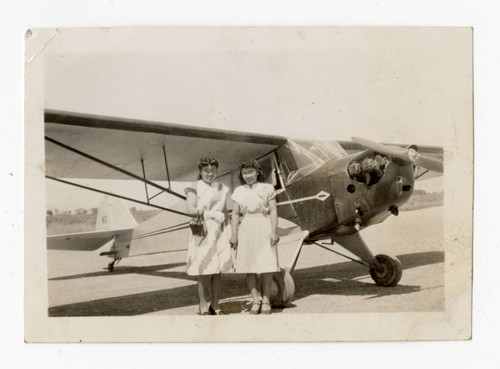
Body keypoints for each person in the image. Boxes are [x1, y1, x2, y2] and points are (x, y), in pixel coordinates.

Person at [230, 159, 280, 315]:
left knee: (266, 265)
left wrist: (274, 231)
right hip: (246, 227)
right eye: (245, 173)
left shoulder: (267, 187)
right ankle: (255, 300)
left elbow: (272, 211)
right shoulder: (239, 191)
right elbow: (235, 214)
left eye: (251, 172)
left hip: (263, 225)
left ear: (257, 172)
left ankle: (266, 300)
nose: (248, 175)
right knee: (249, 267)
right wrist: (233, 234)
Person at [185, 156, 232, 315]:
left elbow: (224, 211)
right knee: (204, 269)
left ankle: (216, 304)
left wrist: (229, 229)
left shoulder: (221, 187)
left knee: (217, 270)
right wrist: (210, 213)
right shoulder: (194, 186)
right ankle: (203, 304)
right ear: (200, 171)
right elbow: (190, 209)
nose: (210, 174)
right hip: (203, 229)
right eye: (206, 171)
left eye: (213, 171)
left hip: (219, 230)